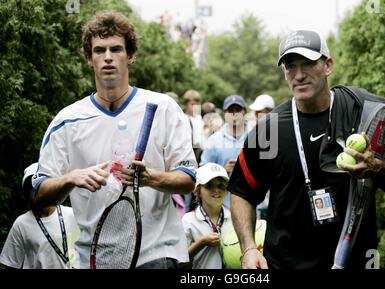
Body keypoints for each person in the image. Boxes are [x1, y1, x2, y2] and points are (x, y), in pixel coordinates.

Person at [228, 29, 385, 269]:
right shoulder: (268, 131)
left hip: (354, 260)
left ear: (328, 65)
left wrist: (378, 168)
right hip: (285, 263)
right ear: (284, 72)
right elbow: (242, 192)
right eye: (290, 66)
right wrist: (249, 248)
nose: (299, 75)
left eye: (308, 63)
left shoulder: (360, 113)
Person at [32, 11, 196, 269]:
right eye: (99, 50)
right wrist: (70, 178)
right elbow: (38, 194)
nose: (107, 57)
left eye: (116, 49)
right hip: (94, 260)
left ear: (130, 56)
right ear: (89, 58)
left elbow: (188, 179)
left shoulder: (163, 108)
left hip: (157, 255)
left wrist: (150, 178)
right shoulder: (67, 121)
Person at [0, 163, 80, 269]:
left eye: (41, 185)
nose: (37, 190)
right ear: (26, 193)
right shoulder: (21, 223)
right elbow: (11, 264)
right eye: (32, 187)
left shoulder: (72, 214)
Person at [200, 95, 250, 208]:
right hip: (221, 206)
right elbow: (202, 171)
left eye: (238, 110)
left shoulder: (255, 137)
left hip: (251, 203)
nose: (234, 114)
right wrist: (222, 170)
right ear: (224, 113)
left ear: (245, 112)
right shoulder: (214, 140)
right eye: (230, 111)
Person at [181, 163, 232, 269]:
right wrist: (201, 242)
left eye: (221, 185)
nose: (216, 190)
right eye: (209, 185)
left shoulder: (234, 218)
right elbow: (180, 261)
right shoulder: (188, 220)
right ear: (198, 191)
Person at [249, 94, 276, 219]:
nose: (257, 116)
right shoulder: (253, 135)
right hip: (258, 204)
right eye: (257, 113)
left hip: (276, 204)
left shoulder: (281, 134)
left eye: (261, 112)